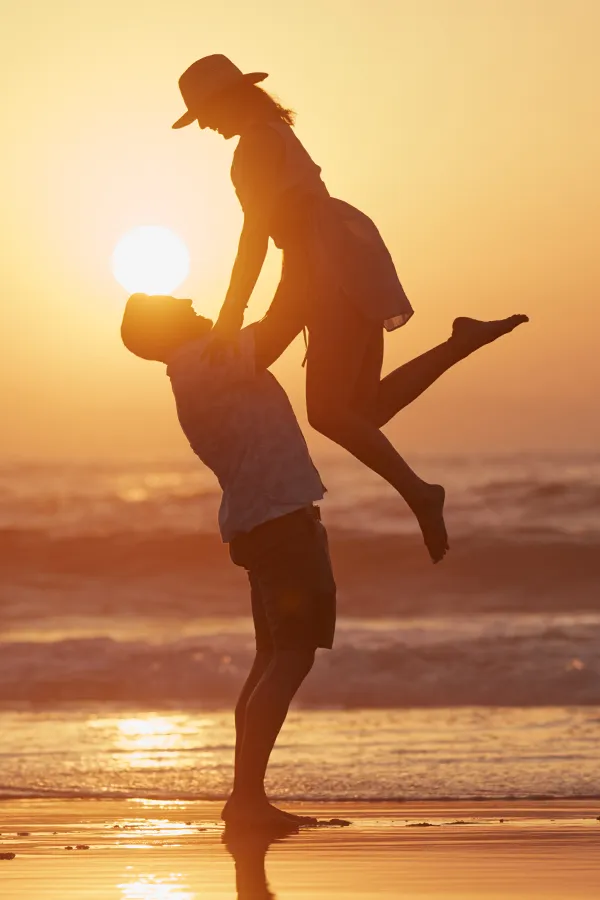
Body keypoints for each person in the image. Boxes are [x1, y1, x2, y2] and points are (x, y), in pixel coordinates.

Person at [171, 54, 528, 563]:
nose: (204, 123)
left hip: (323, 262)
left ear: (228, 99)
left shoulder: (254, 147)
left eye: (205, 111)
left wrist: (230, 318)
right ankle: (460, 342)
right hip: (346, 249)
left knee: (330, 413)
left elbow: (256, 238)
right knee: (363, 411)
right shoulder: (275, 131)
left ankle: (421, 492)